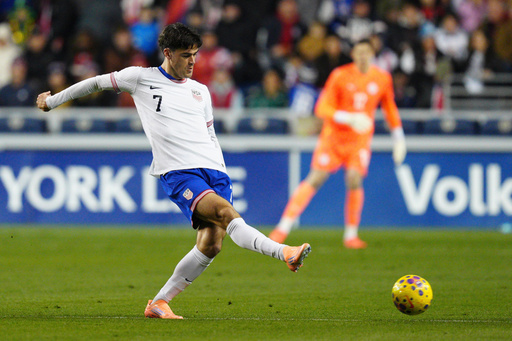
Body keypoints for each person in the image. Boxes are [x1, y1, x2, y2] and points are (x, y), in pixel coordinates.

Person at [36, 22, 311, 319]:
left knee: (211, 244)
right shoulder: (140, 78)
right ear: (168, 53)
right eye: (185, 55)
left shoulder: (200, 91)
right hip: (179, 172)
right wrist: (52, 101)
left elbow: (210, 134)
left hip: (214, 171)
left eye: (194, 54)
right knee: (226, 215)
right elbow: (94, 83)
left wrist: (221, 170)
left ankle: (159, 303)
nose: (192, 61)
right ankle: (284, 252)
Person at [269, 39, 406, 249]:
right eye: (358, 52)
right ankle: (282, 228)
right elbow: (322, 108)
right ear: (353, 54)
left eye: (366, 52)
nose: (362, 56)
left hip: (359, 141)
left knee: (354, 179)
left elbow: (389, 107)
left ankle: (351, 235)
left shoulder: (382, 77)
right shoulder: (340, 75)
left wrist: (399, 138)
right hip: (334, 137)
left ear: (372, 54)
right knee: (316, 178)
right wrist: (349, 118)